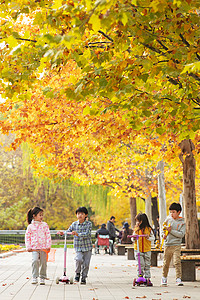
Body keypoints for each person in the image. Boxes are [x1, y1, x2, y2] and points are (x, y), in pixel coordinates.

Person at [60, 206, 92, 285]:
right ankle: (77, 273)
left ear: (86, 215)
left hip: (87, 247)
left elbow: (87, 234)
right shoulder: (74, 224)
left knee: (86, 263)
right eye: (78, 214)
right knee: (78, 259)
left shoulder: (88, 224)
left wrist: (78, 234)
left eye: (82, 213)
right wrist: (63, 233)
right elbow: (68, 231)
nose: (80, 215)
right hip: (78, 247)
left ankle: (84, 277)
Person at [161, 202, 186, 286]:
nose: (171, 214)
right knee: (166, 263)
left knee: (177, 262)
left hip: (177, 245)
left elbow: (181, 235)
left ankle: (178, 279)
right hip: (168, 245)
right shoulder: (168, 219)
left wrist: (171, 231)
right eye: (170, 212)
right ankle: (164, 278)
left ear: (179, 212)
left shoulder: (182, 222)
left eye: (173, 212)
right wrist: (163, 235)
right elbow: (162, 229)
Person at [25, 206, 51, 285]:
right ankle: (34, 277)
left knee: (43, 263)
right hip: (34, 248)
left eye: (42, 215)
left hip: (43, 248)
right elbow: (27, 237)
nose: (42, 217)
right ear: (34, 216)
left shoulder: (44, 225)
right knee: (35, 261)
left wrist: (48, 245)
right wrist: (28, 247)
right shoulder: (30, 226)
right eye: (40, 215)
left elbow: (48, 235)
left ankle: (42, 277)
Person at [132, 213, 154, 286]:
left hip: (147, 249)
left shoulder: (149, 229)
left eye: (139, 221)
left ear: (143, 221)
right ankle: (140, 276)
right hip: (138, 249)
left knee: (147, 264)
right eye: (137, 221)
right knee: (140, 264)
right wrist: (134, 238)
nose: (137, 223)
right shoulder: (136, 229)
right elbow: (132, 238)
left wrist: (148, 237)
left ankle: (147, 278)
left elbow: (153, 238)